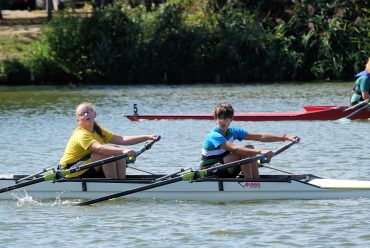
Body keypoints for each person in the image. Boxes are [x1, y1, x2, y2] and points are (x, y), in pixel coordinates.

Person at [60, 102, 158, 179]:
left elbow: (123, 139)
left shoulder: (98, 131)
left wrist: (147, 137)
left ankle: (121, 182)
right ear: (78, 120)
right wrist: (124, 151)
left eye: (88, 111)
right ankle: (114, 185)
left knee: (117, 151)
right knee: (106, 153)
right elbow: (99, 148)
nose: (86, 114)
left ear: (94, 114)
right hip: (70, 170)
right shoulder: (81, 134)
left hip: (87, 167)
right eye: (82, 114)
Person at [200, 103, 298, 179]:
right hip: (209, 171)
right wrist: (260, 151)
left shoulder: (234, 132)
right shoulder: (214, 135)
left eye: (226, 118)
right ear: (215, 119)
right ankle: (251, 184)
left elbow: (261, 136)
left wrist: (284, 137)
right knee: (245, 151)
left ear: (231, 119)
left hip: (225, 167)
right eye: (220, 118)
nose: (223, 121)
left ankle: (256, 181)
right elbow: (235, 149)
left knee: (250, 148)